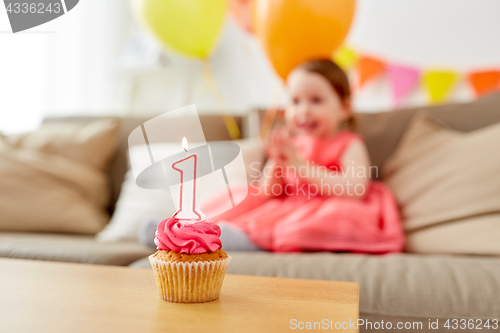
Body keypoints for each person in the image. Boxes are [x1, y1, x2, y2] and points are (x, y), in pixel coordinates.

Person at [202, 59, 405, 253]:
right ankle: (220, 233)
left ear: (344, 108)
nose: (304, 110)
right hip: (289, 207)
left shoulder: (348, 143)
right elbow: (268, 191)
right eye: (295, 101)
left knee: (325, 217)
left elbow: (355, 190)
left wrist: (299, 164)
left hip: (326, 206)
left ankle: (253, 241)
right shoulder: (294, 144)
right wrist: (278, 160)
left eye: (316, 100)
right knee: (247, 200)